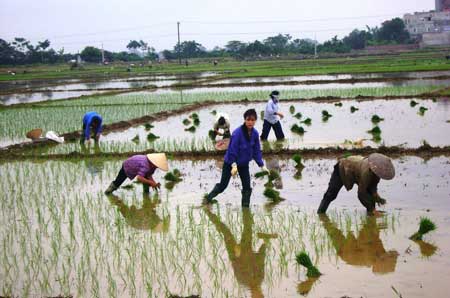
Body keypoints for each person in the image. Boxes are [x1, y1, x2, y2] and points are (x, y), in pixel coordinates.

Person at [204, 109, 268, 207]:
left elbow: (256, 150)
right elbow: (232, 150)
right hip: (230, 163)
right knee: (223, 186)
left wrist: (262, 165)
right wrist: (233, 165)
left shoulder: (255, 134)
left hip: (243, 164)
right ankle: (208, 199)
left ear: (255, 120)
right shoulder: (237, 133)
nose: (250, 122)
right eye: (248, 120)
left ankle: (245, 209)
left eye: (252, 120)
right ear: (245, 120)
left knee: (247, 187)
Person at [317, 153, 395, 216]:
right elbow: (361, 193)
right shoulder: (366, 173)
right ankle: (320, 213)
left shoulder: (376, 173)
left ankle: (370, 218)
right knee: (331, 194)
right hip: (343, 168)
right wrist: (372, 209)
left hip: (356, 171)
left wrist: (377, 198)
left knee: (370, 195)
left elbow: (372, 188)